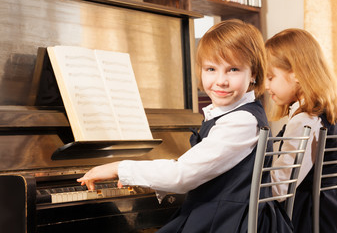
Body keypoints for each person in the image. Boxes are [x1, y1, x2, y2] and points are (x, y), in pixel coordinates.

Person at [77, 19, 292, 232]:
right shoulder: (235, 115)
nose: (220, 81)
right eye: (211, 69)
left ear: (253, 73)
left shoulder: (241, 121)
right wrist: (143, 176)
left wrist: (118, 168)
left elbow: (180, 175)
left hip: (228, 223)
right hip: (223, 216)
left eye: (233, 69)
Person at [265, 28, 337, 233]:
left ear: (297, 74)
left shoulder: (305, 120)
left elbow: (281, 188)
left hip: (311, 220)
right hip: (335, 216)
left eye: (270, 77)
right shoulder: (320, 115)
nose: (265, 85)